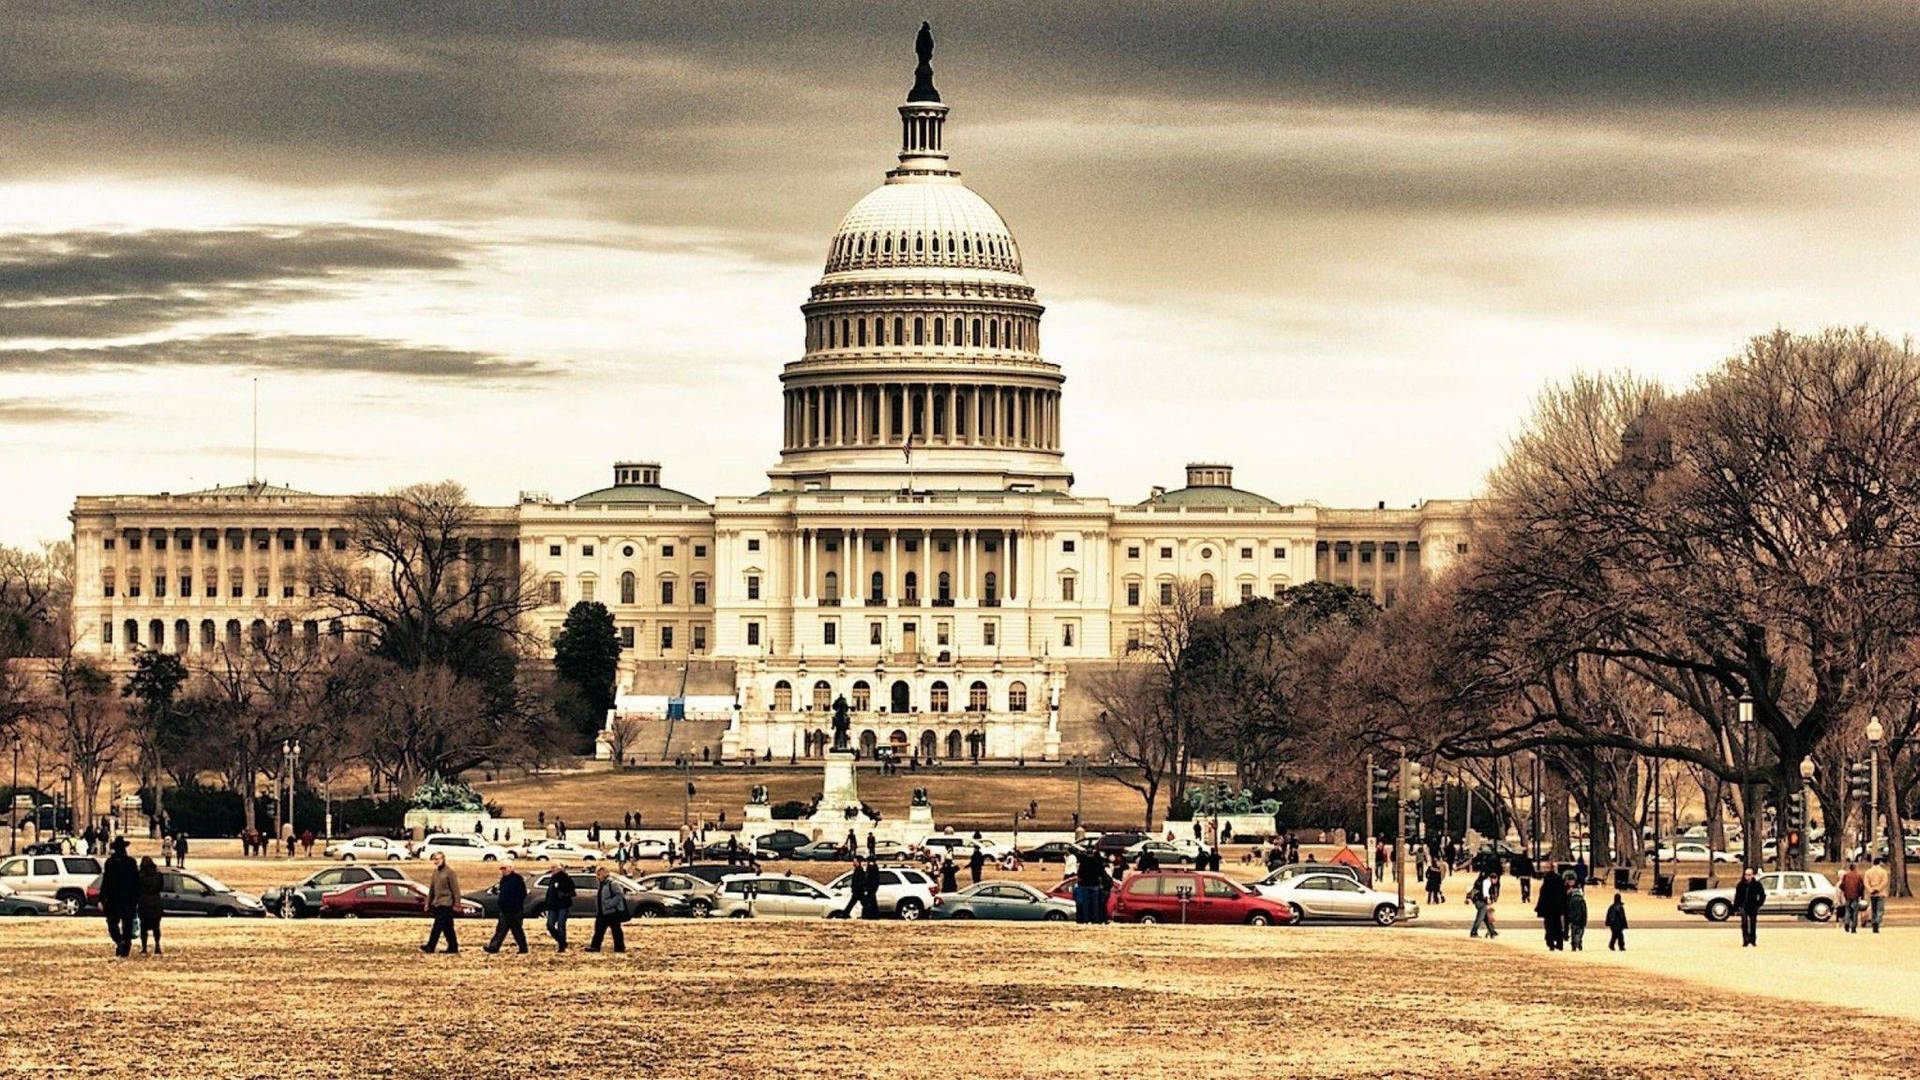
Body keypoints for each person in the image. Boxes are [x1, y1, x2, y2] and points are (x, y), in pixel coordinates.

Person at [99, 837, 138, 958]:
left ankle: (120, 941)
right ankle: (125, 946)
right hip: (128, 899)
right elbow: (136, 881)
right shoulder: (131, 862)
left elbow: (105, 882)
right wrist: (136, 898)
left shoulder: (110, 863)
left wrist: (101, 898)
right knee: (127, 925)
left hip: (113, 899)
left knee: (112, 923)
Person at [484, 863, 529, 953]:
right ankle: (493, 947)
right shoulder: (503, 880)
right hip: (504, 910)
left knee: (517, 930)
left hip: (515, 910)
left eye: (505, 869)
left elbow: (522, 893)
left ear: (511, 868)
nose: (503, 871)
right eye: (502, 869)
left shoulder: (517, 879)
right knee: (501, 929)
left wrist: (515, 904)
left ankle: (523, 948)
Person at [421, 852, 460, 954]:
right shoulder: (435, 872)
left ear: (443, 859)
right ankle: (453, 947)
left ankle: (430, 946)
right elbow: (432, 889)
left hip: (446, 903)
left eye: (438, 859)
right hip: (437, 903)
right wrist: (428, 903)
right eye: (434, 859)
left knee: (437, 926)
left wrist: (457, 904)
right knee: (448, 927)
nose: (436, 861)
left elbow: (455, 890)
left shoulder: (450, 872)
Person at [586, 865, 627, 952]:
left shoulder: (612, 883)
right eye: (597, 874)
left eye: (599, 874)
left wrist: (610, 904)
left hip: (612, 912)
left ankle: (620, 948)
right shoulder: (601, 884)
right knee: (598, 930)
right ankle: (595, 947)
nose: (597, 877)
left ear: (605, 874)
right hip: (602, 912)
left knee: (616, 931)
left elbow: (619, 895)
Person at [544, 866, 577, 951]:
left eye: (554, 868)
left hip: (563, 906)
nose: (552, 870)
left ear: (559, 869)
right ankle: (561, 940)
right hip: (553, 906)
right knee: (550, 925)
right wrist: (547, 903)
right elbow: (549, 892)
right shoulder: (552, 879)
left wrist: (563, 895)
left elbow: (573, 892)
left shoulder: (566, 879)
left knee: (561, 925)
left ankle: (561, 946)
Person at [137, 856, 165, 955]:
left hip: (144, 903)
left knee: (143, 927)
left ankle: (144, 947)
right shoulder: (158, 876)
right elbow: (161, 887)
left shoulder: (139, 876)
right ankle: (157, 945)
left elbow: (137, 889)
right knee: (156, 926)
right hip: (155, 903)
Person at [1534, 869, 1568, 951]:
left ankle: (1551, 943)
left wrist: (1539, 909)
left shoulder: (1545, 885)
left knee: (1549, 926)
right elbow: (1564, 896)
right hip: (1558, 909)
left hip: (1548, 910)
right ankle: (1560, 943)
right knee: (1558, 925)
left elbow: (1542, 898)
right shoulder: (1560, 883)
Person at [1733, 867, 1765, 947]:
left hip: (1753, 906)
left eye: (1749, 875)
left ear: (1752, 875)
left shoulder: (1757, 884)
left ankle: (1753, 940)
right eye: (1746, 875)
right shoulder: (1740, 885)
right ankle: (1745, 940)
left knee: (1753, 923)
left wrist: (1758, 904)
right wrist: (1736, 907)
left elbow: (1762, 895)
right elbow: (1737, 896)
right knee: (1744, 923)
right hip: (1743, 907)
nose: (1747, 877)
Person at [1838, 862, 1865, 934]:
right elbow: (1861, 886)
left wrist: (1845, 892)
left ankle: (1847, 922)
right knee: (1855, 912)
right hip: (1855, 896)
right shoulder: (1858, 876)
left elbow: (1841, 886)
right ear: (1855, 868)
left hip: (1847, 896)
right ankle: (1853, 927)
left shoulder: (1846, 876)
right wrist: (1861, 896)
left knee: (1848, 910)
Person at [1864, 857, 1890, 933]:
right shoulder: (1883, 872)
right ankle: (1877, 921)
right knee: (1880, 909)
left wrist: (1871, 890)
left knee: (1873, 909)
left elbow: (1866, 882)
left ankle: (1873, 921)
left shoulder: (1868, 872)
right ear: (1880, 863)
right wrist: (1878, 889)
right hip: (1880, 893)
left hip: (1872, 893)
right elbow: (1885, 882)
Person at [1566, 882, 1589, 951]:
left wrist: (1569, 918)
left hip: (1573, 919)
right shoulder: (1582, 900)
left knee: (1573, 932)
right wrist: (1585, 920)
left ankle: (1574, 944)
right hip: (1580, 919)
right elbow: (1584, 911)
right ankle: (1578, 943)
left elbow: (1569, 910)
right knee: (1579, 933)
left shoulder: (1571, 900)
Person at [1468, 873, 1490, 938]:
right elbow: (1485, 892)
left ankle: (1492, 931)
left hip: (1477, 901)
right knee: (1480, 918)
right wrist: (1488, 899)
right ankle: (1474, 932)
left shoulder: (1477, 882)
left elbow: (1470, 889)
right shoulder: (1486, 882)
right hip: (1481, 902)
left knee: (1486, 917)